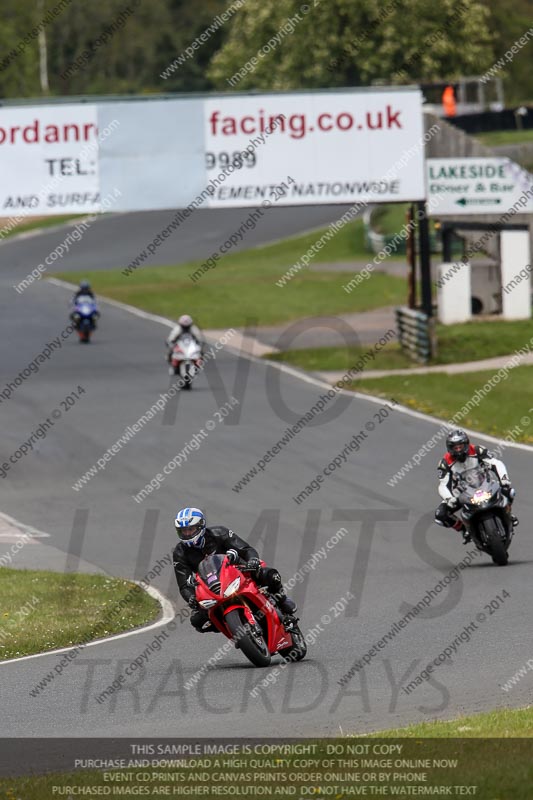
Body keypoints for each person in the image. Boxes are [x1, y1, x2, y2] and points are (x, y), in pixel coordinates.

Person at [172, 507, 297, 632]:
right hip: (211, 586)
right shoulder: (180, 553)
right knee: (197, 621)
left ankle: (283, 601)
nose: (187, 534)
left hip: (238, 570)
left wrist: (252, 560)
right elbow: (184, 585)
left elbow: (247, 550)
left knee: (270, 575)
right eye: (183, 531)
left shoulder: (220, 532)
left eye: (190, 529)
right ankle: (231, 627)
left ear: (201, 527)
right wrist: (191, 598)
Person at [435, 429, 518, 542]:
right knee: (441, 514)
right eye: (455, 447)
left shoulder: (478, 450)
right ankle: (464, 530)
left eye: (461, 446)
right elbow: (443, 485)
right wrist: (449, 498)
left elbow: (496, 463)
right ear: (449, 448)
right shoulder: (445, 463)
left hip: (484, 484)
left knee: (509, 491)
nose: (459, 450)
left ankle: (509, 514)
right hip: (461, 493)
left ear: (466, 444)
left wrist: (504, 480)